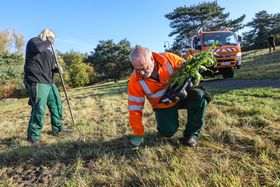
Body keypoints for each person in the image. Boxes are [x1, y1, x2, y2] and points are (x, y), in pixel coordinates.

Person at [127, 47, 209, 148]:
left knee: (199, 96)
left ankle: (191, 135)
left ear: (152, 59)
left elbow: (188, 68)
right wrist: (138, 133)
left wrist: (194, 77)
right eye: (137, 69)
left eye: (143, 68)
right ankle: (165, 126)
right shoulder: (135, 80)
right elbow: (134, 108)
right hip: (163, 106)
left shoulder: (168, 58)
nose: (142, 73)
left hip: (182, 96)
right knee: (167, 132)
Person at [24, 29, 64, 143]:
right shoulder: (34, 42)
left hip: (50, 82)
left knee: (56, 105)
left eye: (52, 39)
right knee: (39, 108)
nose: (51, 41)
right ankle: (34, 137)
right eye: (50, 37)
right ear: (44, 35)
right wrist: (48, 41)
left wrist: (57, 69)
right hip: (37, 80)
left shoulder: (49, 52)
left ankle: (58, 129)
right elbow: (38, 49)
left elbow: (51, 67)